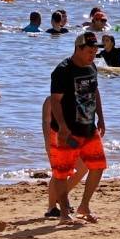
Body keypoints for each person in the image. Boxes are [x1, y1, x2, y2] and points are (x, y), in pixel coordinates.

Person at [47, 33, 107, 224]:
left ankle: (84, 205)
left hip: (89, 127)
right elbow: (55, 101)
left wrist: (101, 118)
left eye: (95, 51)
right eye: (90, 51)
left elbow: (95, 91)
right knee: (62, 172)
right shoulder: (62, 71)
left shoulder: (92, 66)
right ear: (78, 49)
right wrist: (63, 126)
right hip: (68, 131)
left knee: (98, 166)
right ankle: (64, 213)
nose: (93, 55)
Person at [42, 98, 87, 219]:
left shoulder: (74, 99)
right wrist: (47, 143)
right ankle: (52, 208)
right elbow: (46, 121)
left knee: (84, 166)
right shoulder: (50, 100)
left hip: (71, 139)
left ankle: (60, 196)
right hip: (55, 140)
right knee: (58, 173)